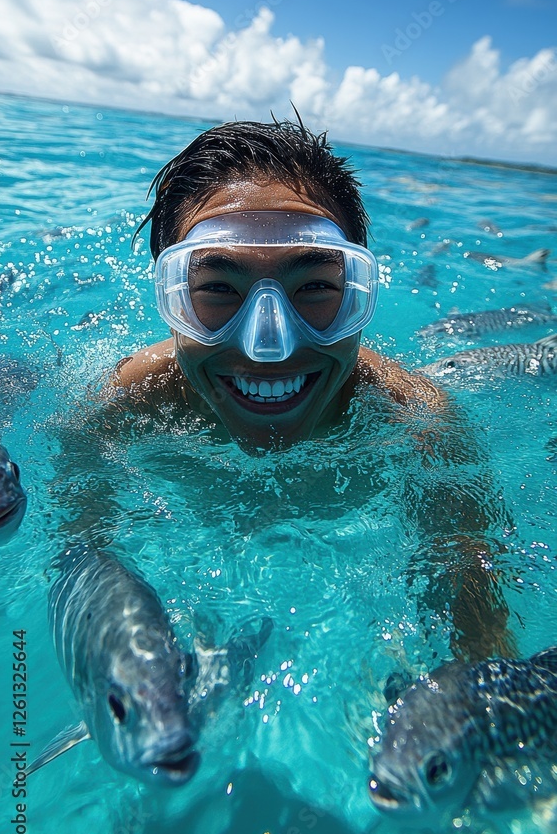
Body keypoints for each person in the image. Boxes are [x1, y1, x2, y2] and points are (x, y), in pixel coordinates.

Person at [87, 116, 516, 664]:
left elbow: (480, 642)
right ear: (171, 300)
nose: (270, 345)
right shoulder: (129, 402)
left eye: (314, 287)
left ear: (356, 295)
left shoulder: (420, 426)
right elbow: (80, 555)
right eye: (218, 288)